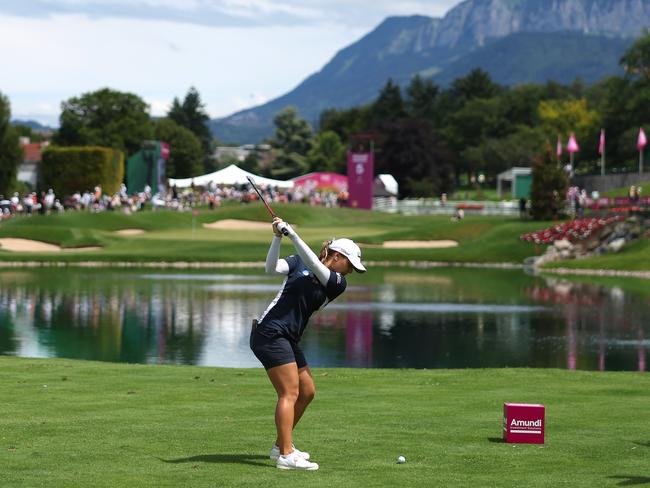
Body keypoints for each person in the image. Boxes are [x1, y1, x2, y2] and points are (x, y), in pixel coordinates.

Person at [250, 217, 366, 471]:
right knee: (289, 393)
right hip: (269, 332)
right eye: (349, 264)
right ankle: (286, 455)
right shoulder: (297, 262)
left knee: (308, 391)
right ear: (336, 255)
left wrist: (291, 233)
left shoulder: (336, 283)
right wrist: (278, 237)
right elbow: (271, 268)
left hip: (288, 337)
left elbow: (314, 263)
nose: (349, 272)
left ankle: (281, 444)